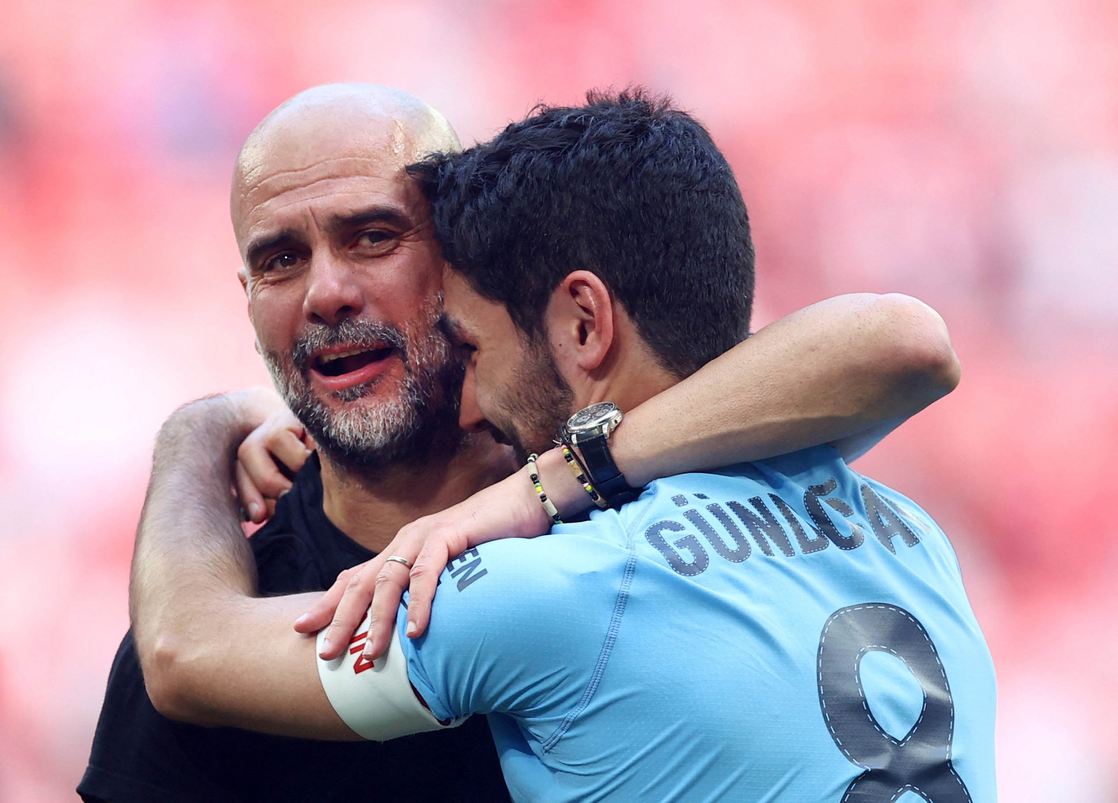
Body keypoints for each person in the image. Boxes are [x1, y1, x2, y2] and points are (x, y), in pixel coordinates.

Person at [105, 84, 969, 802]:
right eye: (280, 260)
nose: (326, 291)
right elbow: (901, 342)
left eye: (373, 236)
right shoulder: (906, 531)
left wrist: (197, 428)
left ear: (459, 264)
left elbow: (185, 653)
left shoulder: (533, 587)